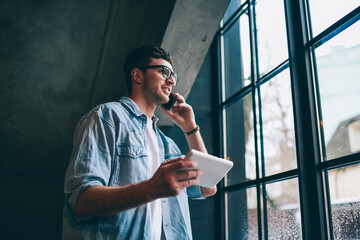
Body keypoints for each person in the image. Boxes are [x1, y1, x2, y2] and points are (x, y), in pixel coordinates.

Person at [62, 45, 217, 240]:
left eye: (173, 76)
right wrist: (151, 188)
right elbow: (81, 202)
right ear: (137, 75)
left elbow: (208, 187)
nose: (171, 80)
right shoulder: (106, 117)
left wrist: (190, 128)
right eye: (164, 72)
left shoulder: (167, 144)